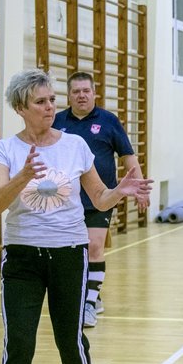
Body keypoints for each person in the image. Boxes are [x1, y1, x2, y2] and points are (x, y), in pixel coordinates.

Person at [0, 69, 152, 364]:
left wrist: (121, 192)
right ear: (21, 108)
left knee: (69, 338)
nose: (51, 107)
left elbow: (98, 195)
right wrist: (23, 176)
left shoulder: (76, 145)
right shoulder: (5, 150)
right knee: (19, 343)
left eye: (51, 99)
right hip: (23, 258)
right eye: (41, 102)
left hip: (68, 253)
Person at [53, 71, 147, 328]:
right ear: (69, 95)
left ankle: (89, 304)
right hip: (66, 200)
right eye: (76, 91)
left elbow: (128, 157)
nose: (81, 95)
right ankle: (90, 292)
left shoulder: (108, 121)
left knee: (95, 247)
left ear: (94, 93)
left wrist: (139, 188)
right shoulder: (57, 121)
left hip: (100, 197)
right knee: (74, 253)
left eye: (86, 91)